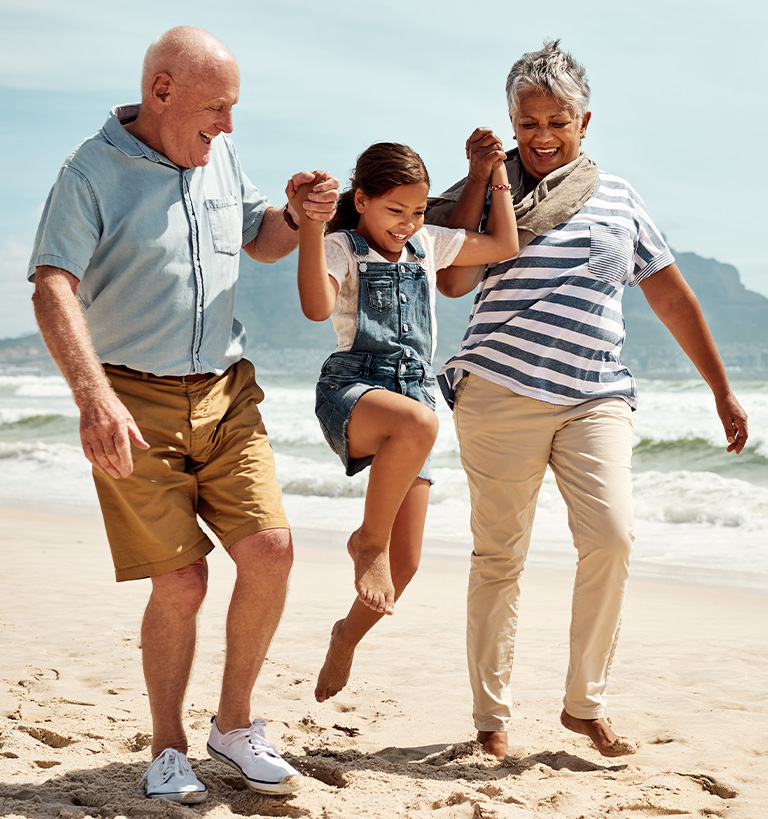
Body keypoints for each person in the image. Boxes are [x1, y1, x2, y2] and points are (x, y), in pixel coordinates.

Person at [27, 27, 339, 803]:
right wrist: (92, 396)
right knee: (184, 580)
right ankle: (167, 748)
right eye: (217, 109)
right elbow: (51, 285)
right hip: (132, 401)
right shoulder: (91, 172)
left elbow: (260, 239)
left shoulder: (218, 154)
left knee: (269, 551)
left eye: (233, 111)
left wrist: (298, 215)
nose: (228, 126)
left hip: (228, 392)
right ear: (162, 92)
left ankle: (233, 727)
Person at [427, 40, 749, 761]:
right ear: (512, 122)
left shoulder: (620, 198)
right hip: (500, 390)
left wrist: (721, 388)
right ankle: (490, 719)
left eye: (557, 121)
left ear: (585, 120)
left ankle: (584, 703)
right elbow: (449, 282)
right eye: (528, 121)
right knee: (499, 555)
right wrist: (482, 178)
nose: (542, 136)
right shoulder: (493, 187)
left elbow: (669, 295)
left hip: (596, 395)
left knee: (612, 536)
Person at [288, 142, 519, 702]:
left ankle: (345, 636)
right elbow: (317, 308)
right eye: (395, 210)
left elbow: (504, 244)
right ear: (361, 201)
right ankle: (367, 545)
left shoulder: (427, 244)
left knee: (408, 562)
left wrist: (492, 177)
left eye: (417, 211)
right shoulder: (342, 246)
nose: (408, 223)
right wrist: (312, 229)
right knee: (419, 425)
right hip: (354, 389)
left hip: (413, 397)